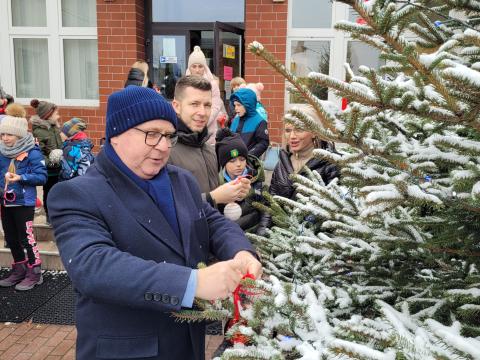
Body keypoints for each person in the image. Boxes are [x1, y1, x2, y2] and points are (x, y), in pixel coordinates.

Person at [47, 85, 262, 360]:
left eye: (168, 136)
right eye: (151, 134)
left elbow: (210, 223)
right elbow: (93, 266)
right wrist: (191, 283)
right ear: (116, 136)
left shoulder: (180, 180)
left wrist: (241, 252)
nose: (163, 146)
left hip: (188, 345)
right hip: (129, 352)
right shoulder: (77, 194)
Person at [256, 104, 340, 236]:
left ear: (313, 132)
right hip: (281, 239)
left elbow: (337, 210)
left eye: (299, 130)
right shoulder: (282, 163)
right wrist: (261, 236)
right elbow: (271, 203)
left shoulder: (330, 163)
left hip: (316, 243)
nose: (292, 136)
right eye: (288, 130)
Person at [170, 76, 251, 209]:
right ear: (177, 106)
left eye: (207, 105)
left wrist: (235, 192)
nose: (202, 112)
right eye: (194, 104)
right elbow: (166, 208)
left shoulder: (210, 150)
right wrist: (213, 197)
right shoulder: (164, 152)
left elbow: (215, 203)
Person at [0, 116, 47, 290]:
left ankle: (35, 273)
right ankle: (19, 269)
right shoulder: (2, 151)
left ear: (19, 135)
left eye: (9, 135)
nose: (5, 138)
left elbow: (42, 177)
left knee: (27, 238)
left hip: (24, 203)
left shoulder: (32, 152)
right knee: (11, 239)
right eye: (3, 134)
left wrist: (21, 177)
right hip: (5, 202)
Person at [215, 128, 264, 231]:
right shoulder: (217, 185)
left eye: (242, 159)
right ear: (223, 163)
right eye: (232, 161)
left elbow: (266, 210)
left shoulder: (256, 181)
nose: (238, 164)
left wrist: (262, 232)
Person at [30, 99, 63, 224]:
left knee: (59, 191)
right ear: (48, 115)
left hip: (58, 166)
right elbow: (38, 152)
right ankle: (50, 215)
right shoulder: (39, 132)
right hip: (49, 170)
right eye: (56, 114)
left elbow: (59, 144)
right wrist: (50, 162)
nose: (58, 116)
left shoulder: (54, 128)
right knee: (49, 192)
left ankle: (58, 214)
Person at [186, 46, 223, 144]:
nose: (197, 70)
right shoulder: (183, 84)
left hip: (209, 133)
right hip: (188, 131)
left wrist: (202, 122)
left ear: (205, 67)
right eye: (194, 66)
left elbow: (216, 106)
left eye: (200, 66)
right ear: (189, 68)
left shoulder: (212, 84)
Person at [229, 87, 270, 158]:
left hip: (249, 163)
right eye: (235, 105)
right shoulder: (236, 120)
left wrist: (249, 156)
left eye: (239, 105)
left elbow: (263, 143)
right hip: (234, 160)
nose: (236, 108)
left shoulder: (259, 121)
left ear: (248, 105)